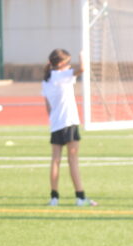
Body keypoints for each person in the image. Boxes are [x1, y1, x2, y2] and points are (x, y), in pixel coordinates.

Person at [41, 49, 97, 207]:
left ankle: (54, 197)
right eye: (68, 63)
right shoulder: (61, 75)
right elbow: (83, 69)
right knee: (73, 160)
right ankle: (80, 197)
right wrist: (83, 55)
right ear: (60, 64)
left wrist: (53, 121)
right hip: (69, 121)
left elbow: (48, 106)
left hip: (56, 124)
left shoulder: (46, 80)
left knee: (55, 160)